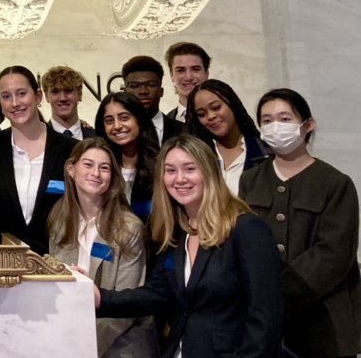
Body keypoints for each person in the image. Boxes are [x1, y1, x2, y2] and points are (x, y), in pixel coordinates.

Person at [96, 135, 283, 358]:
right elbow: (158, 294)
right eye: (171, 170)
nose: (180, 179)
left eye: (189, 169)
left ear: (209, 172)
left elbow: (266, 316)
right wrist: (101, 298)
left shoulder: (246, 229)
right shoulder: (176, 231)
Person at [240, 88, 361, 358]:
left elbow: (334, 253)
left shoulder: (335, 183)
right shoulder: (251, 179)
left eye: (284, 119)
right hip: (265, 326)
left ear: (307, 125)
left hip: (324, 325)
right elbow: (243, 241)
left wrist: (273, 298)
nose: (275, 127)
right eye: (267, 120)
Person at [48, 138, 158, 358]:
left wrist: (80, 347)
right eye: (88, 164)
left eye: (104, 167)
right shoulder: (59, 220)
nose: (96, 173)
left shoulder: (129, 228)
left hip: (123, 344)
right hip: (71, 338)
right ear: (71, 169)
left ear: (112, 177)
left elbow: (126, 307)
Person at [0, 65, 76, 253]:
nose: (15, 103)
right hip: (0, 268)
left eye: (22, 93)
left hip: (56, 266)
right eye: (6, 96)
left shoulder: (71, 149)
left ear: (38, 96)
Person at [186, 79, 269, 195]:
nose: (210, 116)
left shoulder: (265, 152)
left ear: (232, 104)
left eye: (216, 107)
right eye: (201, 114)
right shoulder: (195, 157)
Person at [95, 92, 159, 222]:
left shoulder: (160, 165)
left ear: (139, 119)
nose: (117, 126)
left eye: (124, 118)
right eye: (109, 121)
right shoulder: (99, 169)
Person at [121, 55, 184, 145]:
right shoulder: (116, 132)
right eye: (135, 85)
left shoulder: (184, 131)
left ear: (161, 91)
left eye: (151, 85)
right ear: (125, 91)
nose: (143, 91)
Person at [41, 65, 95, 139]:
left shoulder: (97, 137)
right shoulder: (38, 138)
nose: (62, 98)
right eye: (55, 92)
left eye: (68, 90)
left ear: (79, 94)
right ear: (46, 96)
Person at [164, 42, 210, 123]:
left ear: (206, 73)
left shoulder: (224, 117)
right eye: (180, 70)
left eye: (195, 69)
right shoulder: (165, 124)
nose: (188, 77)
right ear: (171, 75)